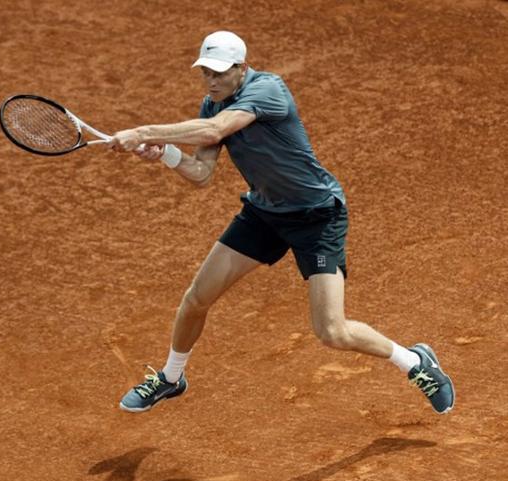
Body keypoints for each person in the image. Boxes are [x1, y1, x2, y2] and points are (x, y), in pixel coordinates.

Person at [109, 31, 455, 414]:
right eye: (205, 72)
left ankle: (414, 361)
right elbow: (201, 174)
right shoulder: (213, 105)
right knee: (196, 298)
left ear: (242, 68)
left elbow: (216, 130)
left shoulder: (268, 89)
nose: (211, 81)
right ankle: (171, 378)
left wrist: (143, 131)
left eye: (220, 73)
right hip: (264, 214)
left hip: (316, 217)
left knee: (332, 332)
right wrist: (166, 154)